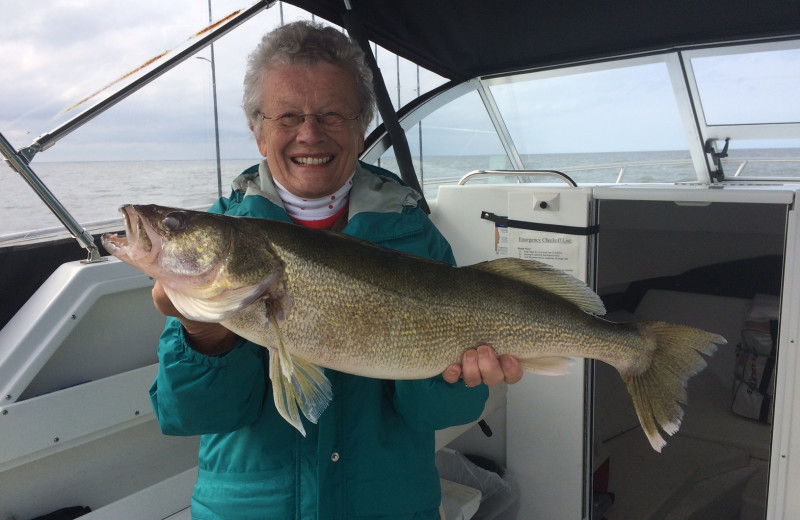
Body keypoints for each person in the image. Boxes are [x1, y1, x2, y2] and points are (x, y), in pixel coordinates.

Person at [149, 20, 522, 520]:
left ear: (360, 124)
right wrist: (200, 332)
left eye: (331, 114)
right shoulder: (222, 242)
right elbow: (190, 416)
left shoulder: (416, 237)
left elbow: (436, 415)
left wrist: (459, 380)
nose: (309, 133)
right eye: (287, 116)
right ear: (258, 132)